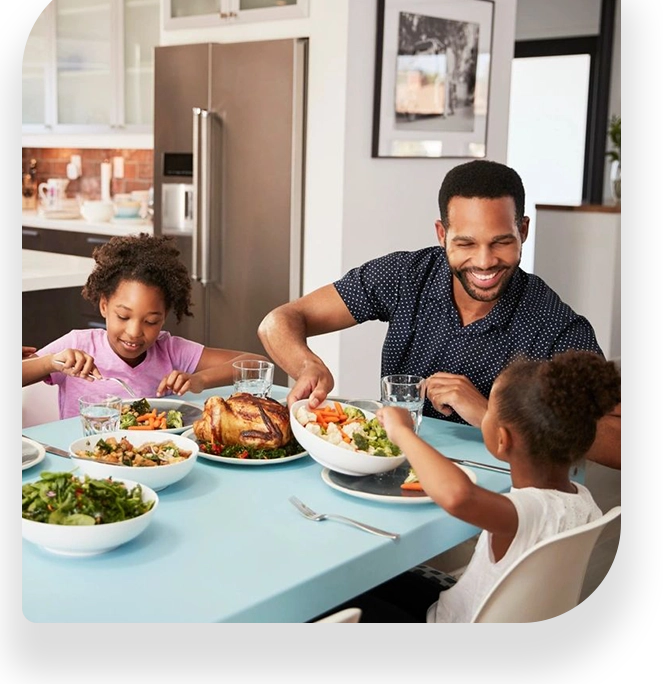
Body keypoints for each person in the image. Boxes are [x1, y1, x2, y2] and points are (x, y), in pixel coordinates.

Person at [258, 159, 620, 467]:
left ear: (522, 230)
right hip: (394, 472)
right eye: (465, 243)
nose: (484, 261)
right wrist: (307, 365)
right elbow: (278, 322)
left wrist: (492, 414)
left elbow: (617, 441)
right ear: (441, 234)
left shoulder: (554, 323)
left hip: (493, 507)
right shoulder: (405, 275)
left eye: (501, 242)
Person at [311, 350, 622, 623]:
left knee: (327, 602)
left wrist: (403, 433)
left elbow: (459, 495)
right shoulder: (584, 501)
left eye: (490, 413)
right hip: (471, 608)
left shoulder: (525, 512)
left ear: (502, 440)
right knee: (372, 584)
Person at [22, 233, 270, 419]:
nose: (134, 332)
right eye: (123, 316)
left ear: (164, 316)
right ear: (104, 306)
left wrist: (199, 380)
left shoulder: (171, 351)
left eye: (151, 321)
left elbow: (257, 364)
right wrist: (50, 362)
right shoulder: (78, 344)